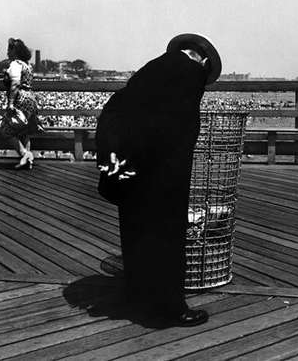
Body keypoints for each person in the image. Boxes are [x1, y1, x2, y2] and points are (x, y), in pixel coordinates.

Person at [95, 34, 222, 327]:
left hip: (130, 166)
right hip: (163, 171)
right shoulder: (190, 74)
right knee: (166, 234)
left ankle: (138, 295)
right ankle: (170, 308)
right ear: (202, 61)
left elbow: (121, 108)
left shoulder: (152, 67)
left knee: (136, 230)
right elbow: (181, 125)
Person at [0, 38, 41, 169]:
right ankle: (27, 162)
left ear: (14, 51)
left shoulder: (15, 64)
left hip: (20, 99)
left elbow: (15, 84)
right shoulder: (27, 65)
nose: (7, 52)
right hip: (31, 99)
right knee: (24, 130)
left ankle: (26, 154)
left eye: (9, 50)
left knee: (6, 130)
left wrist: (11, 103)